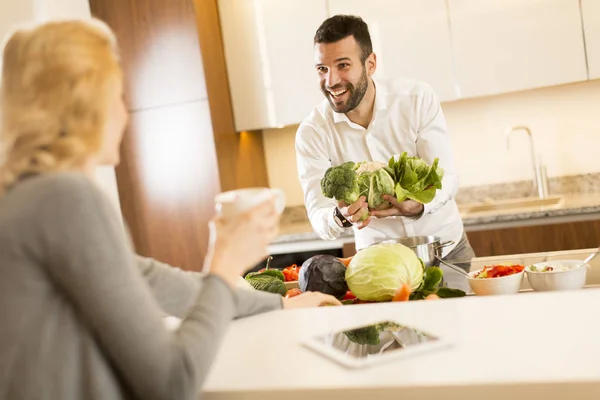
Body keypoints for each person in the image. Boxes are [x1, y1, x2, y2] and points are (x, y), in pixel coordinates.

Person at [0, 19, 339, 400]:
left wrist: (281, 303)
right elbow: (170, 381)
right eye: (116, 97)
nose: (124, 114)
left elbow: (157, 282)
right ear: (87, 107)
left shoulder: (23, 198)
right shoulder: (67, 198)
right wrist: (225, 263)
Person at [295, 15, 475, 289]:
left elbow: (447, 177)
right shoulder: (313, 132)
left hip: (445, 254)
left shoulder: (416, 99)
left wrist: (419, 205)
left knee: (462, 329)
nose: (331, 81)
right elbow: (319, 214)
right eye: (322, 68)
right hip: (379, 269)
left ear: (370, 64)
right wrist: (340, 216)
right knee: (393, 333)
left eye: (342, 65)